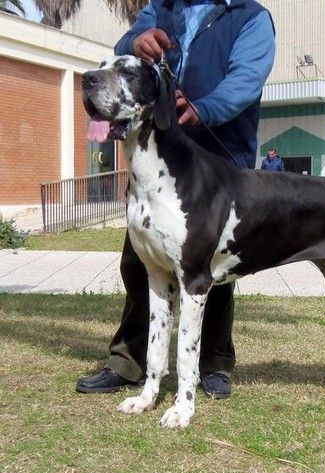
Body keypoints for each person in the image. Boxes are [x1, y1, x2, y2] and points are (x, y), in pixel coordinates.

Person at [76, 0, 276, 399]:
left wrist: (205, 108)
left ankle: (214, 365)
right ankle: (128, 362)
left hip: (218, 152)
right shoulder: (161, 7)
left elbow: (247, 79)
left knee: (213, 269)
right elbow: (127, 44)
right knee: (139, 262)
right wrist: (138, 40)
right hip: (161, 151)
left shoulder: (249, 16)